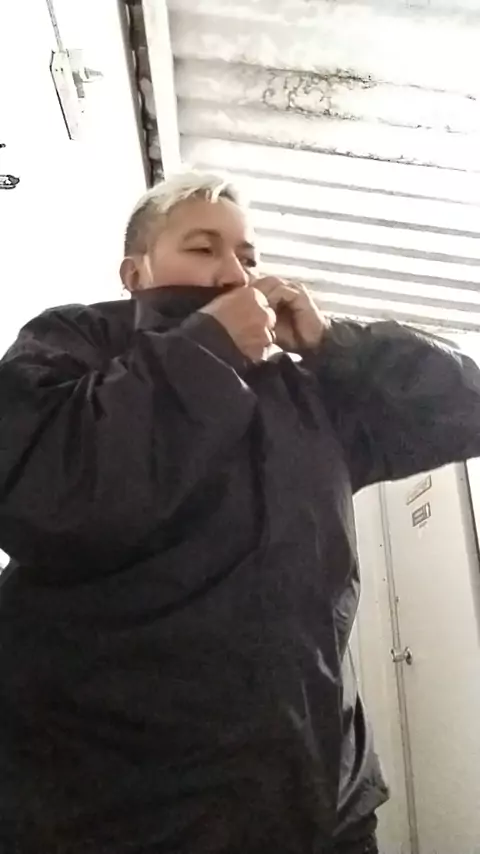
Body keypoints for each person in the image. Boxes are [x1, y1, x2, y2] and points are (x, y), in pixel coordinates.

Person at [0, 170, 479, 854]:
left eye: (248, 257)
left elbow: (465, 411)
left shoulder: (307, 389)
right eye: (203, 248)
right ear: (135, 272)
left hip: (320, 807)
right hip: (111, 813)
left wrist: (335, 343)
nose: (234, 274)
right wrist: (206, 348)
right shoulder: (80, 341)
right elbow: (41, 488)